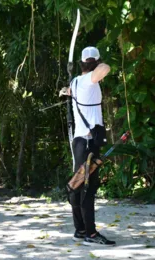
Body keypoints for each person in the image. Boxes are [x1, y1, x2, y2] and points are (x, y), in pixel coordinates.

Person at [68, 46, 115, 246]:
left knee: (78, 185)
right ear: (94, 62)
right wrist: (101, 64)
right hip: (87, 143)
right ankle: (91, 234)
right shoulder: (88, 80)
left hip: (81, 142)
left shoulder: (76, 81)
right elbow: (104, 70)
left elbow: (69, 91)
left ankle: (80, 230)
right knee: (88, 187)